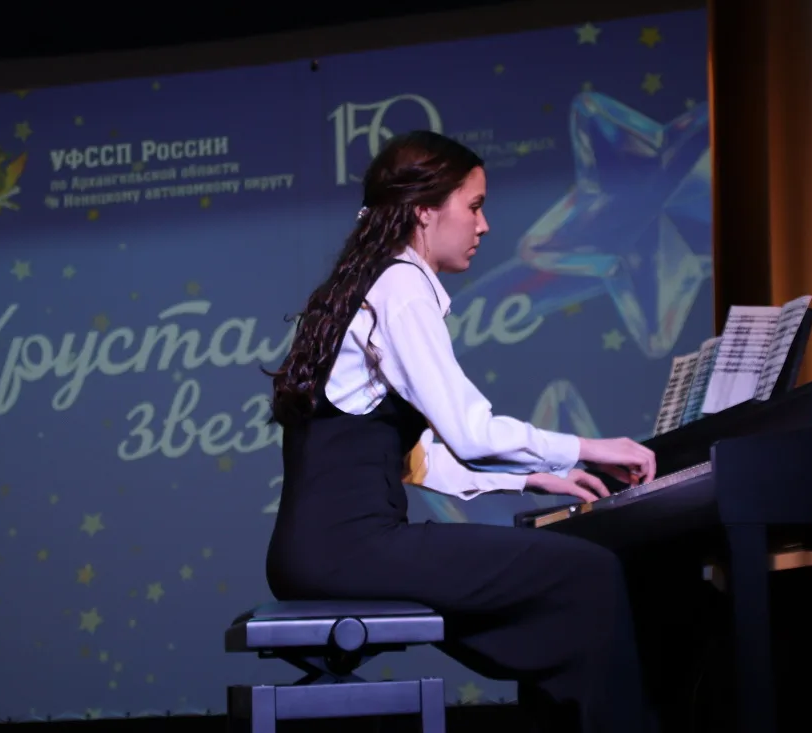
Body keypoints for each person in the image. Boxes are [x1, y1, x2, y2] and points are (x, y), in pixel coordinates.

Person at [265, 130, 658, 733]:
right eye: (473, 206)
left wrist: (534, 479)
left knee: (567, 591)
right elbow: (470, 431)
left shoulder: (370, 282)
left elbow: (410, 458)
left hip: (312, 554)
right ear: (425, 210)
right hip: (349, 553)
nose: (484, 225)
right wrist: (589, 446)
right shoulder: (401, 288)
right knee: (589, 574)